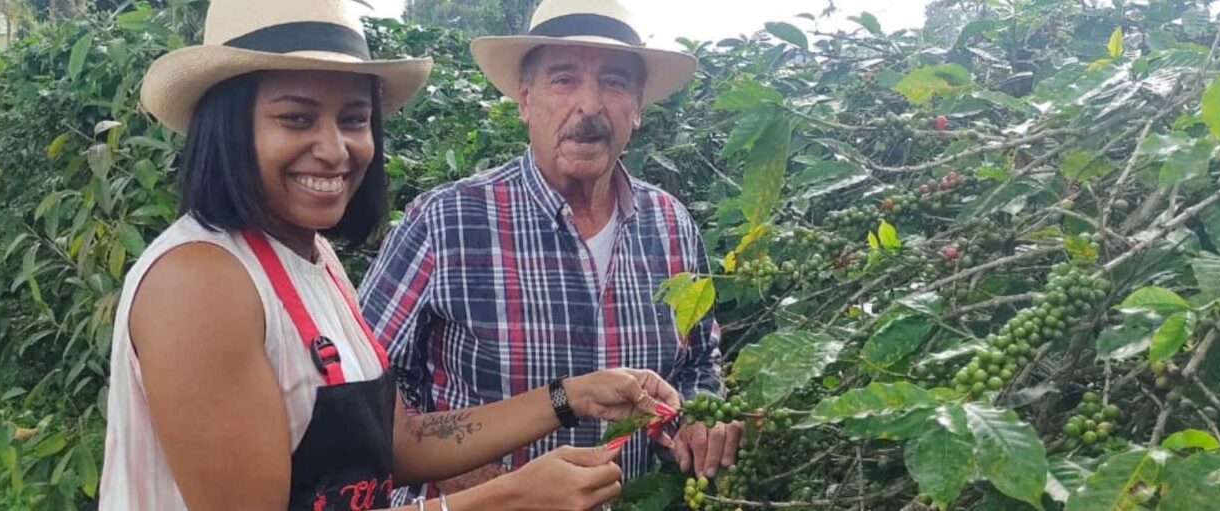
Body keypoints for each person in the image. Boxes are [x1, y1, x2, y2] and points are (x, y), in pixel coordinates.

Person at [99, 1, 682, 509]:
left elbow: (400, 441)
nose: (335, 149)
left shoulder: (312, 261)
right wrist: (505, 498)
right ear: (228, 124)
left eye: (353, 119)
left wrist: (571, 396)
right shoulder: (200, 281)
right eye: (296, 118)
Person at [359, 0, 742, 501]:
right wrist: (471, 479)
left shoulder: (670, 225)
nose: (589, 106)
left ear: (637, 107)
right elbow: (368, 384)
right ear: (524, 100)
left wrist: (695, 418)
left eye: (614, 82)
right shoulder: (445, 221)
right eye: (563, 80)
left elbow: (697, 361)